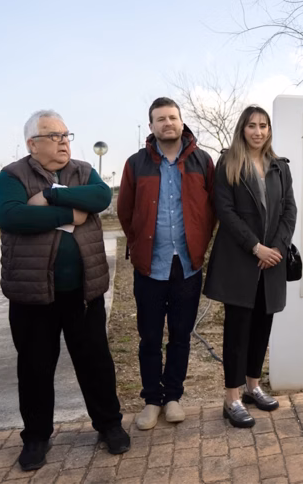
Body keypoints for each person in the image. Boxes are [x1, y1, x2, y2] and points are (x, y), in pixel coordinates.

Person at [0, 110, 129, 471]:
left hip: (83, 292)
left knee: (95, 362)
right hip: (33, 294)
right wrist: (70, 213)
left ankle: (109, 425)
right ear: (32, 144)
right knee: (35, 367)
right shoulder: (13, 175)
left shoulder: (83, 171)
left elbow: (100, 197)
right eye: (53, 136)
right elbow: (11, 216)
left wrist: (51, 196)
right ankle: (36, 437)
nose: (64, 142)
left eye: (66, 135)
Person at [117, 97, 215, 430]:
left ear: (181, 121)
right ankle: (151, 400)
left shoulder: (202, 161)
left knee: (180, 336)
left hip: (187, 265)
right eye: (160, 119)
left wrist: (200, 241)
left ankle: (173, 397)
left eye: (172, 117)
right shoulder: (136, 164)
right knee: (149, 337)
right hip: (150, 266)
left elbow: (211, 209)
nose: (167, 123)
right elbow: (125, 211)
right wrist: (138, 244)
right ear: (151, 126)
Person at [204, 105, 297, 428]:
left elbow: (289, 210)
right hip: (240, 260)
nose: (258, 131)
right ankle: (232, 398)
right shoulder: (228, 163)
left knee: (262, 326)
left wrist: (277, 248)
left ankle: (252, 386)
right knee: (237, 330)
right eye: (252, 125)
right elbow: (225, 211)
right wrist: (255, 247)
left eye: (263, 125)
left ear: (269, 130)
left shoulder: (280, 167)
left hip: (272, 261)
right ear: (242, 129)